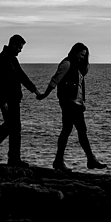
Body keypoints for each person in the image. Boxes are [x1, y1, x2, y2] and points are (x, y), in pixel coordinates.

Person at [38, 42, 106, 171]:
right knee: (76, 130)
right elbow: (55, 80)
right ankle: (87, 159)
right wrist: (45, 94)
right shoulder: (67, 64)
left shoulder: (77, 67)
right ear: (74, 52)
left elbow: (79, 86)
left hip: (76, 103)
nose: (82, 57)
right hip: (69, 102)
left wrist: (82, 101)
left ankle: (63, 160)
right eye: (81, 54)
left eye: (84, 55)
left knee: (72, 131)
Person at [0, 34, 41, 166]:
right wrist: (3, 102)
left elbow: (21, 76)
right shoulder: (1, 59)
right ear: (13, 44)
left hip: (15, 99)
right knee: (12, 126)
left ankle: (12, 158)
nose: (20, 50)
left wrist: (34, 89)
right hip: (7, 100)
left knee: (14, 127)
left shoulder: (12, 59)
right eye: (19, 47)